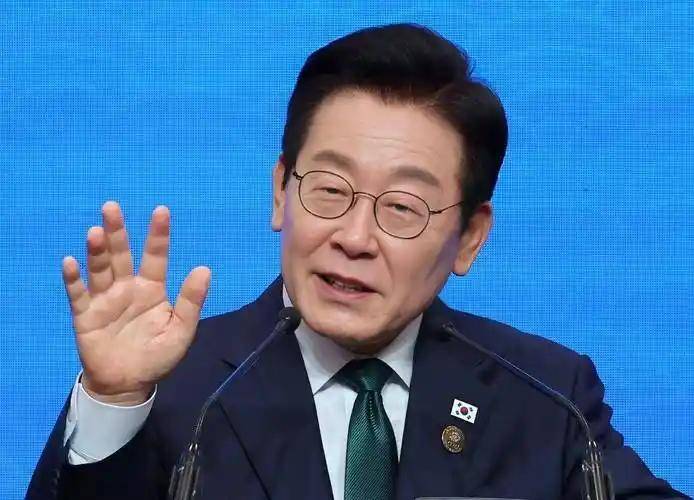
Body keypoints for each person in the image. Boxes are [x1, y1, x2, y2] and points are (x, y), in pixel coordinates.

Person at [26, 23, 687, 500]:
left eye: (402, 206)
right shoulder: (173, 386)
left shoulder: (546, 396)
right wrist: (113, 401)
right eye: (330, 189)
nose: (355, 236)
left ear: (470, 237)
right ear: (280, 191)